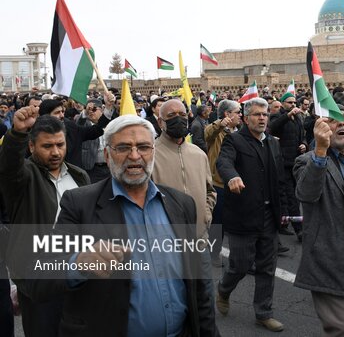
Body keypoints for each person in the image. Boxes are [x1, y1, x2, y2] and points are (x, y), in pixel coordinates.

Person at [29, 115, 216, 336]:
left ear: (153, 152)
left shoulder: (181, 204)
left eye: (144, 147)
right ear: (107, 154)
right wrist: (77, 263)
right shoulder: (79, 204)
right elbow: (40, 280)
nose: (135, 156)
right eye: (124, 147)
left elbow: (199, 285)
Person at [0, 108, 90, 337]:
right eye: (47, 146)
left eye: (60, 145)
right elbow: (8, 167)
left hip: (77, 273)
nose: (56, 152)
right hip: (39, 280)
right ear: (32, 147)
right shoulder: (24, 176)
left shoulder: (80, 177)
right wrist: (17, 134)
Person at [216, 97, 286, 332]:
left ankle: (263, 313)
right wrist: (232, 176)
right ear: (246, 118)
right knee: (241, 265)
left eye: (265, 114)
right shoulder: (234, 141)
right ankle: (224, 289)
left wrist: (283, 210)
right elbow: (223, 162)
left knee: (267, 267)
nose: (262, 118)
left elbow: (279, 180)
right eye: (257, 114)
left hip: (269, 216)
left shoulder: (273, 143)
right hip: (243, 216)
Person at [151, 99, 219, 335]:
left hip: (199, 240)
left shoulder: (198, 154)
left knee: (204, 299)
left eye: (182, 113)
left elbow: (210, 190)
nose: (178, 118)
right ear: (160, 122)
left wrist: (206, 214)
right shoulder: (149, 155)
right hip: (164, 243)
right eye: (171, 115)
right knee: (171, 301)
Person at [293, 106, 344, 336]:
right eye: (332, 120)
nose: (341, 123)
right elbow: (307, 194)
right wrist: (320, 150)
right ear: (321, 129)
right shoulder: (306, 161)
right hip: (328, 261)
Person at [204, 100, 242, 266]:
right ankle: (213, 253)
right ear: (228, 114)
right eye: (237, 112)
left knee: (235, 221)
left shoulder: (239, 131)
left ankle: (240, 256)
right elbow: (208, 133)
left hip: (237, 183)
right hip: (219, 184)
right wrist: (220, 123)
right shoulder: (216, 131)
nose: (240, 115)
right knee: (217, 223)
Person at [38, 92, 115, 169]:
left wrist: (108, 107)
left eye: (62, 112)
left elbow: (96, 130)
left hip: (74, 176)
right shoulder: (36, 134)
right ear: (46, 115)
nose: (62, 115)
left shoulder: (70, 127)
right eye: (57, 113)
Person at [268, 92, 307, 241]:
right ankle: (299, 229)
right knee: (288, 196)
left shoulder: (297, 118)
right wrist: (287, 115)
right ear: (283, 104)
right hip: (282, 163)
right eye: (289, 103)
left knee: (294, 196)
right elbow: (273, 127)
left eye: (294, 103)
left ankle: (283, 222)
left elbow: (302, 134)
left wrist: (304, 144)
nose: (293, 105)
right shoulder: (278, 116)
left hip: (295, 162)